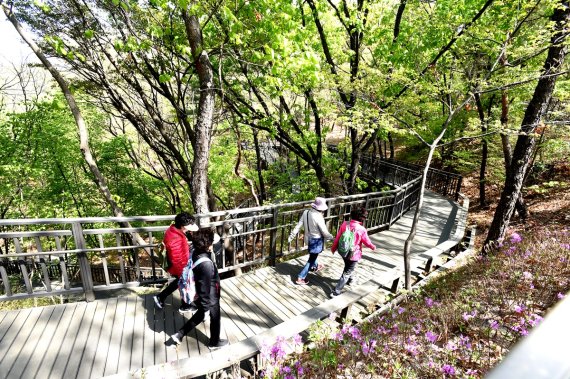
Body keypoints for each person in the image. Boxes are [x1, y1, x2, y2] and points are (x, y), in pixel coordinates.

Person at [171, 228, 228, 350]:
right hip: (209, 295)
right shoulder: (206, 264)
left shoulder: (195, 251)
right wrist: (206, 305)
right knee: (215, 316)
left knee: (200, 313)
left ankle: (180, 334)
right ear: (208, 245)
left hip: (199, 290)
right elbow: (204, 287)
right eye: (212, 242)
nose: (214, 244)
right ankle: (214, 342)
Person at [153, 212, 199, 313]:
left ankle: (162, 297)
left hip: (179, 265)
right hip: (180, 266)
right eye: (188, 227)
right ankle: (185, 305)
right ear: (182, 226)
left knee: (179, 283)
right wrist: (184, 273)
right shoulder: (175, 239)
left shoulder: (173, 230)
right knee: (183, 283)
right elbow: (177, 259)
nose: (189, 230)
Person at [330, 207, 377, 297]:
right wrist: (373, 247)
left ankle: (350, 280)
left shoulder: (345, 224)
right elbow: (366, 242)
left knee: (348, 266)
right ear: (362, 218)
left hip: (343, 251)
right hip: (353, 254)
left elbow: (338, 237)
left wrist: (333, 248)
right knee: (347, 271)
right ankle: (336, 291)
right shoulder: (361, 229)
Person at [288, 197, 334, 285]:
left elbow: (299, 225)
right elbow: (324, 232)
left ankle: (315, 267)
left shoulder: (306, 212)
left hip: (307, 238)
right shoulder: (319, 217)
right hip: (316, 240)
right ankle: (301, 277)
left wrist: (292, 235)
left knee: (313, 255)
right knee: (311, 259)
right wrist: (332, 237)